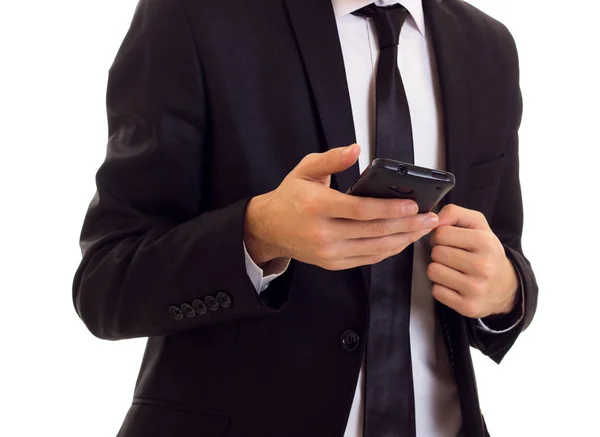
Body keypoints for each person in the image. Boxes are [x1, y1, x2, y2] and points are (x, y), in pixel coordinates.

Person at [73, 0, 538, 436]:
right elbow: (105, 283)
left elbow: (503, 247)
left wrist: (505, 293)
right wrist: (257, 235)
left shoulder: (488, 46)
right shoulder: (196, 13)